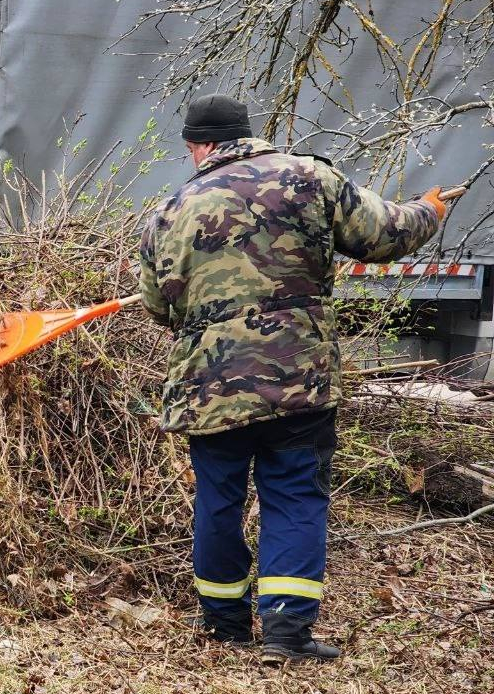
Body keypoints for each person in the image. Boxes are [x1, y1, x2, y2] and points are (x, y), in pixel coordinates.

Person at [138, 93, 463, 662]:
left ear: (198, 146)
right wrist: (430, 210)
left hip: (209, 384)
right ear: (247, 133)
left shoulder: (170, 209)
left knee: (218, 497)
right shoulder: (309, 176)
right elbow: (384, 235)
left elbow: (160, 308)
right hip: (298, 379)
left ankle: (224, 624)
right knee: (292, 494)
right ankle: (287, 633)